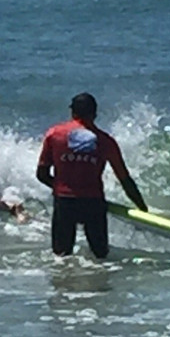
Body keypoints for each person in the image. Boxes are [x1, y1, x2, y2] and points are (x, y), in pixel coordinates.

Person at [36, 92, 147, 258]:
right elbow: (124, 179)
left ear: (72, 112)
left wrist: (62, 187)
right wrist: (143, 209)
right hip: (93, 203)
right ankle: (101, 283)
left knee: (61, 257)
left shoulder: (54, 135)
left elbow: (42, 174)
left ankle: (63, 282)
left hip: (65, 203)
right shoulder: (106, 141)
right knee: (100, 256)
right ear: (95, 114)